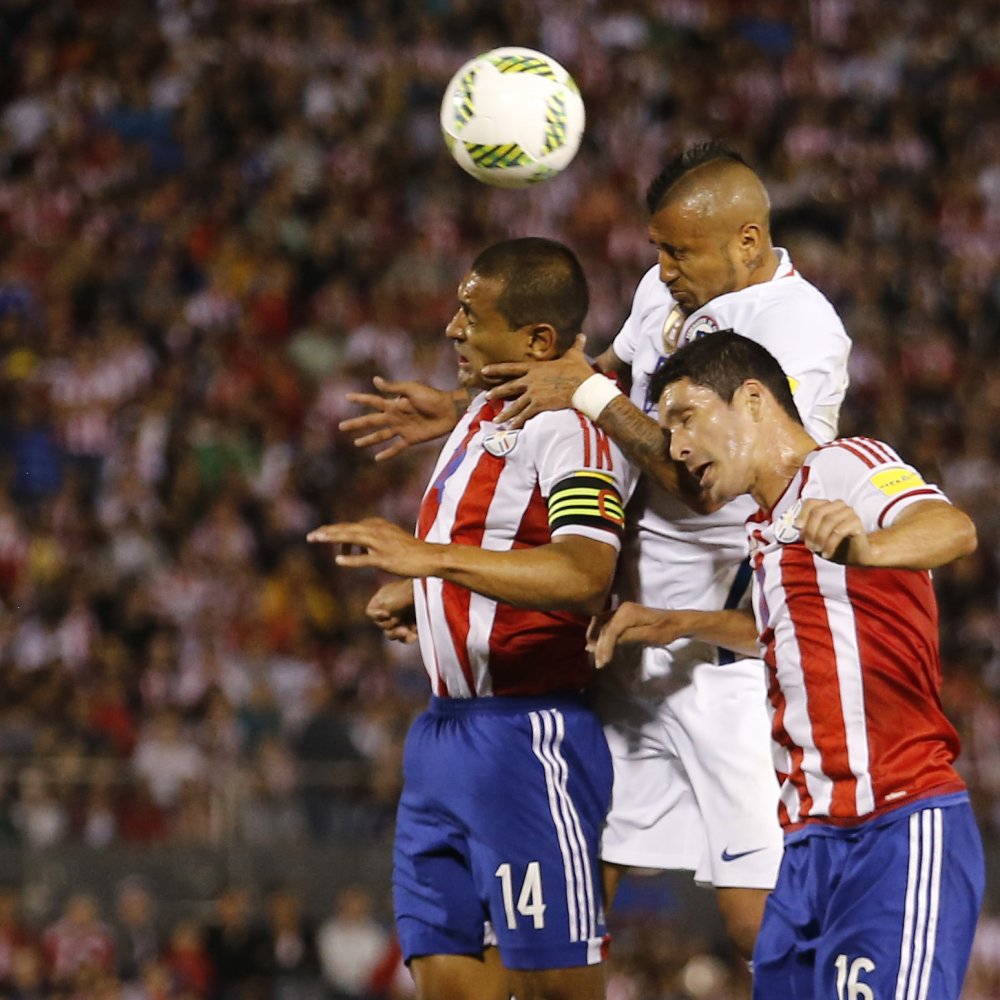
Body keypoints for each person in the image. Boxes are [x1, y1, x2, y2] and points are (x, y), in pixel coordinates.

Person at [338, 142, 852, 958]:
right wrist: (468, 404)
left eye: (679, 251)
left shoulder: (800, 333)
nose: (661, 268)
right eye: (658, 248)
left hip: (720, 659)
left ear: (748, 241)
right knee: (573, 897)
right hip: (622, 638)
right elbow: (603, 372)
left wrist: (587, 393)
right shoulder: (665, 290)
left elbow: (713, 484)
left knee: (761, 915)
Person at [600, 329, 982, 999]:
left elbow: (952, 529)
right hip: (808, 845)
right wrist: (674, 624)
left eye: (686, 418)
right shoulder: (765, 529)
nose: (678, 447)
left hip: (895, 823)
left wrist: (870, 547)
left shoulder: (847, 465)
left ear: (751, 399)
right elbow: (783, 633)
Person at [309, 238, 635, 1000]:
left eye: (471, 313)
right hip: (442, 735)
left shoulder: (571, 428)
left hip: (529, 739)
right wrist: (432, 603)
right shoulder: (488, 408)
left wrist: (433, 565)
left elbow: (586, 573)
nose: (453, 328)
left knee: (559, 984)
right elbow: (493, 539)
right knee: (450, 983)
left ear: (537, 342)